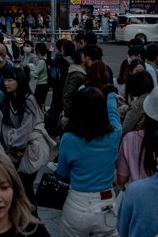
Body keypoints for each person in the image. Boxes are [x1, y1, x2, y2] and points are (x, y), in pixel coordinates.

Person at [54, 86, 121, 237]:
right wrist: (111, 97)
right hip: (107, 202)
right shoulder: (114, 134)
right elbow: (113, 115)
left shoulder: (68, 139)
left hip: (77, 202)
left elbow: (62, 172)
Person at [0, 68, 47, 177]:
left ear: (19, 81)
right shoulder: (9, 99)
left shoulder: (28, 100)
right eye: (5, 80)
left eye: (10, 80)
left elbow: (26, 127)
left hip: (31, 147)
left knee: (26, 184)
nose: (6, 83)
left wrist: (16, 145)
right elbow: (6, 125)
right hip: (16, 147)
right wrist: (13, 146)